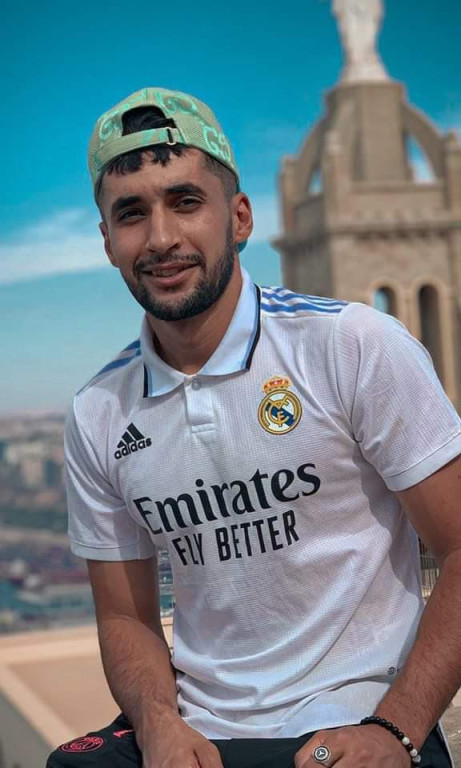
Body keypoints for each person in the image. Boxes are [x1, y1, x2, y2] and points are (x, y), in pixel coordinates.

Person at [47, 87, 461, 768]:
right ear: (107, 241)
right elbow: (124, 615)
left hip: (351, 722)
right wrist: (157, 724)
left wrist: (397, 729)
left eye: (185, 202)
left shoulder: (351, 346)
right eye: (131, 213)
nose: (161, 238)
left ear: (238, 217)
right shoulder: (99, 412)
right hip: (201, 730)